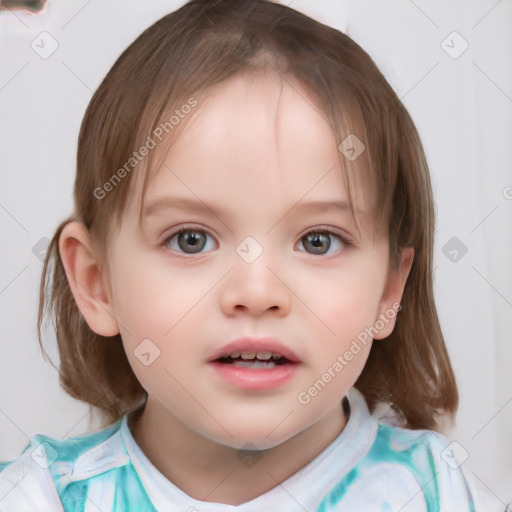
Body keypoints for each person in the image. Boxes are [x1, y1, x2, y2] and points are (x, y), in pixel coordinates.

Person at [0, 0, 493, 510]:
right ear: (97, 282)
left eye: (318, 241)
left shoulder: (438, 492)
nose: (257, 293)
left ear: (390, 290)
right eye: (190, 239)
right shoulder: (35, 497)